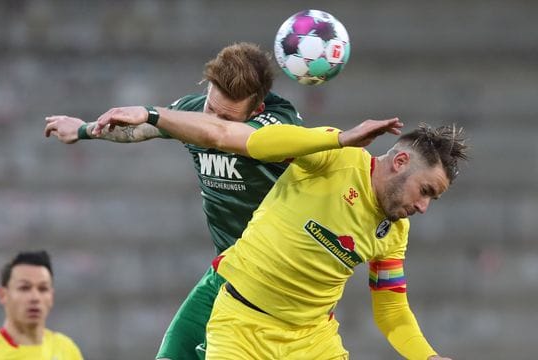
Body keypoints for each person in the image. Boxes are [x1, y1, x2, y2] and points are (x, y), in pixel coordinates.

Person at [93, 108, 467, 359]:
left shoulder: (394, 229)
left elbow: (391, 308)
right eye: (426, 191)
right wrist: (152, 115)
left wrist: (427, 356)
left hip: (311, 342)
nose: (423, 207)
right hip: (243, 327)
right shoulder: (333, 155)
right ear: (400, 162)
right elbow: (236, 138)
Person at [44, 42, 304, 360]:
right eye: (212, 109)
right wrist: (84, 130)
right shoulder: (194, 111)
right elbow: (139, 130)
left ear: (257, 111)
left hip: (282, 285)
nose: (214, 119)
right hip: (229, 271)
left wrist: (154, 114)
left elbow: (216, 134)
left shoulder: (281, 126)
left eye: (229, 117)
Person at [0, 250, 83, 360]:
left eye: (43, 289)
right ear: (3, 295)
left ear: (51, 297)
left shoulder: (66, 350)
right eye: (24, 288)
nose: (35, 297)